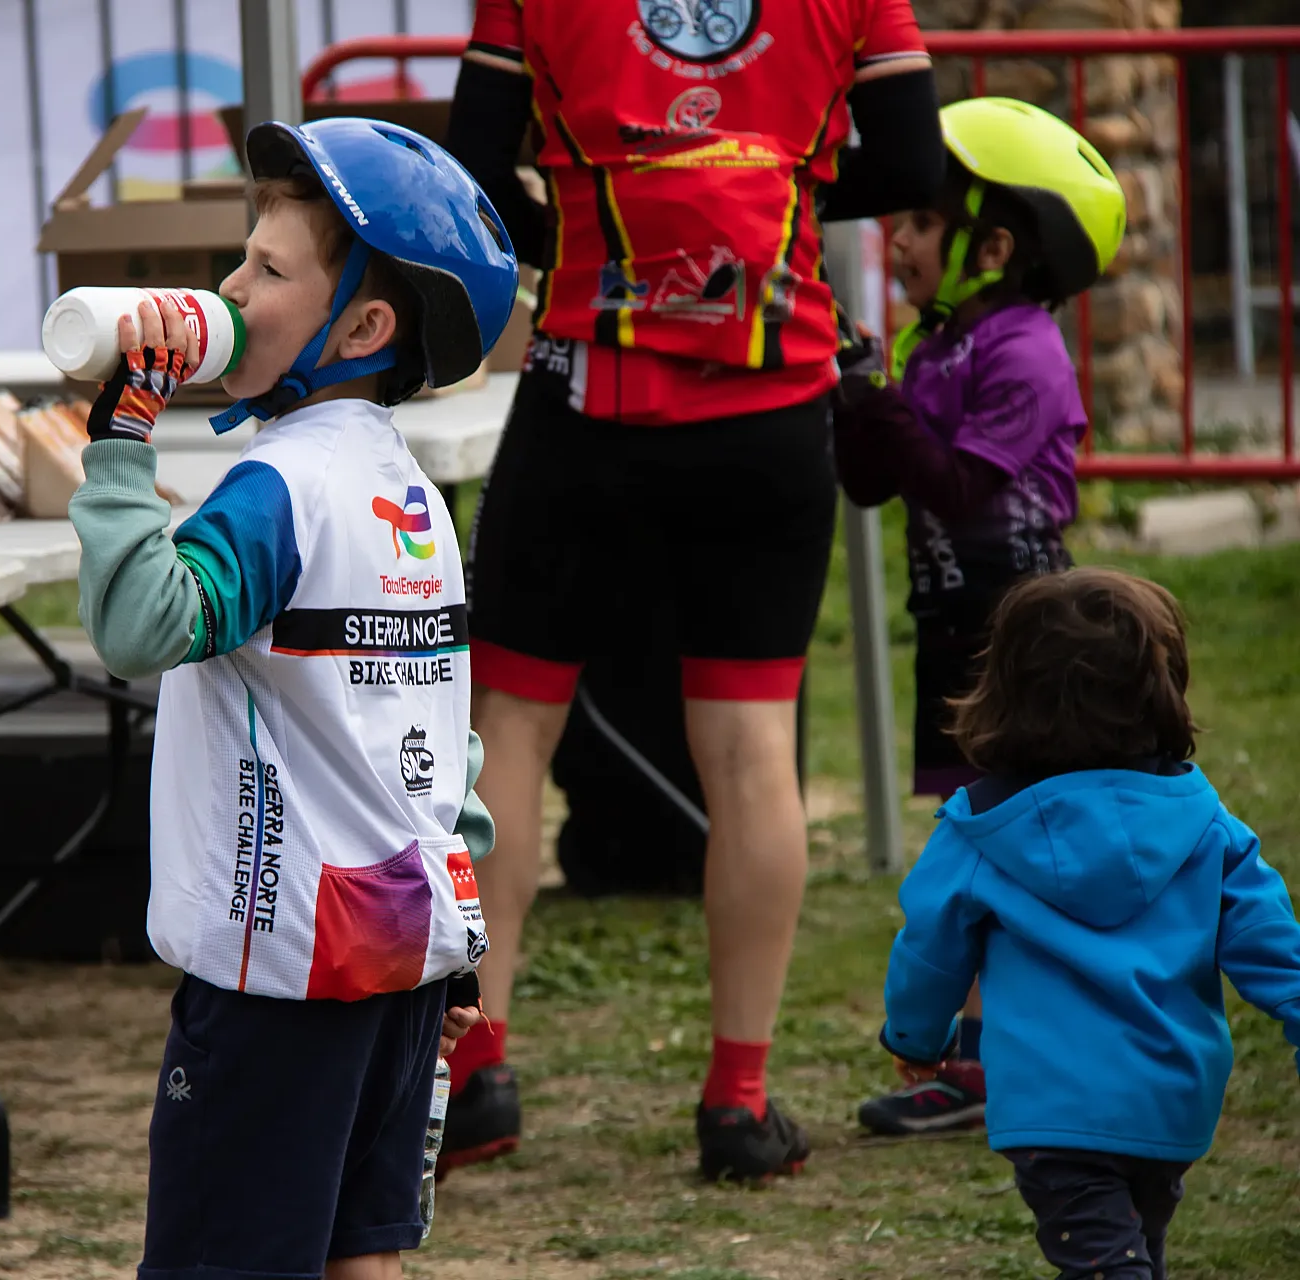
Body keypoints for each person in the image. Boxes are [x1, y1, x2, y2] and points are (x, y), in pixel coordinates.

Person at [441, 0, 946, 1181]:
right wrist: (790, 195)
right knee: (751, 747)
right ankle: (738, 1099)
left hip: (584, 390)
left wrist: (567, 231)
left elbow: (470, 166)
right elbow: (916, 161)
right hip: (769, 395)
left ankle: (474, 1074)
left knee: (508, 724)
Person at [65, 116, 518, 1279]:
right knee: (357, 1251)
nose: (230, 284)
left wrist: (119, 440)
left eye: (268, 269)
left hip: (280, 977)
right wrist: (458, 949)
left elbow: (137, 625)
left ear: (363, 326)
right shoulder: (411, 497)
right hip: (402, 960)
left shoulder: (278, 487)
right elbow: (439, 748)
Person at [832, 96, 1129, 1137]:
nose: (896, 238)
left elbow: (956, 485)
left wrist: (877, 400)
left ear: (992, 245)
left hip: (1024, 633)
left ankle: (1007, 1051)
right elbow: (875, 482)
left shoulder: (1024, 352)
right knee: (979, 836)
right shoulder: (939, 344)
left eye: (918, 220)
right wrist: (852, 394)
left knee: (1010, 842)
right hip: (956, 628)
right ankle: (987, 1053)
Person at [878, 566, 1300, 1280]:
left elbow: (930, 949)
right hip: (1171, 1104)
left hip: (1052, 1112)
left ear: (1004, 691)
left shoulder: (978, 830)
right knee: (1132, 1253)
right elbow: (1275, 953)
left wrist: (918, 1037)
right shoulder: (1206, 827)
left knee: (1109, 1262)